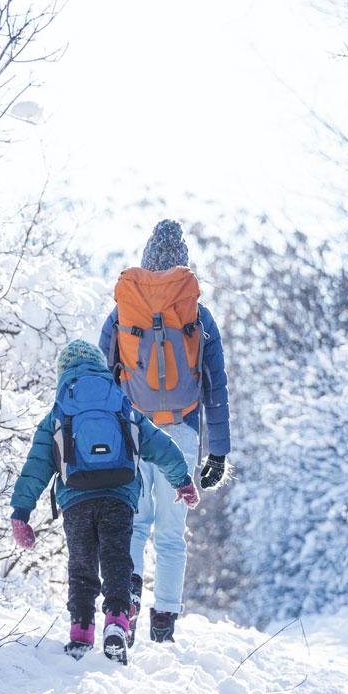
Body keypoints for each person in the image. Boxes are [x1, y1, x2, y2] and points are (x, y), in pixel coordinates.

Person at [8, 339, 198, 664]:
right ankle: (117, 623)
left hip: (76, 499)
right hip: (119, 496)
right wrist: (181, 480)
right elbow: (159, 445)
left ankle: (81, 632)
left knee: (81, 565)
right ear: (100, 366)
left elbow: (36, 467)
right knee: (117, 561)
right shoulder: (121, 404)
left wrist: (21, 513)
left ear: (63, 372)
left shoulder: (58, 411)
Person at [98, 219, 231, 645]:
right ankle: (165, 621)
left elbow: (102, 378)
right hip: (183, 429)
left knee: (136, 524)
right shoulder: (197, 314)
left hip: (133, 431)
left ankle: (129, 600)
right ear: (184, 268)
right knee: (172, 534)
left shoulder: (124, 311)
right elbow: (216, 385)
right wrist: (219, 452)